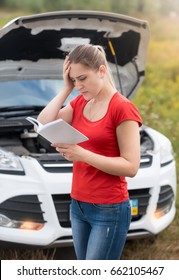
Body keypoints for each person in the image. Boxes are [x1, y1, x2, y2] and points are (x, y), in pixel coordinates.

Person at [37, 44, 142, 260]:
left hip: (109, 209)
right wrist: (65, 88)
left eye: (82, 78)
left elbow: (131, 167)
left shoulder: (122, 108)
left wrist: (82, 154)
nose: (78, 86)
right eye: (74, 80)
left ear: (101, 71)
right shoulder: (80, 102)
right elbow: (44, 122)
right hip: (78, 205)